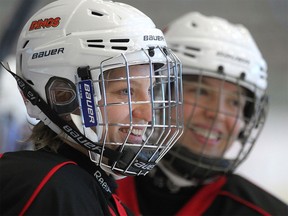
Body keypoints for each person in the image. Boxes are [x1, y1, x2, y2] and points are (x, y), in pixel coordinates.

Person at [0, 0, 183, 215]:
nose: (147, 114)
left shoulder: (95, 192)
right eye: (126, 91)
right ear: (61, 95)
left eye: (151, 90)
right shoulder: (52, 187)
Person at [116, 12, 288, 215]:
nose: (218, 115)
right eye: (200, 92)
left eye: (235, 102)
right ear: (156, 95)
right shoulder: (88, 189)